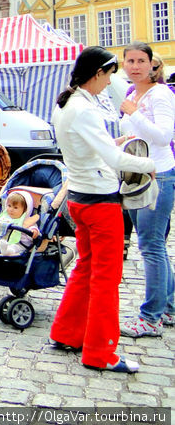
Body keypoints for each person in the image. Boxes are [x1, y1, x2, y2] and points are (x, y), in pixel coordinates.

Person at [48, 46, 155, 373]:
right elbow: (114, 161)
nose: (110, 82)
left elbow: (89, 148)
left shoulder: (67, 104)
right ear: (97, 74)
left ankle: (66, 332)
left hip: (80, 198)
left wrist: (115, 145)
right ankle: (100, 353)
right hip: (100, 201)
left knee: (85, 268)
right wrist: (151, 164)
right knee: (106, 279)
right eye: (108, 74)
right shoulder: (84, 109)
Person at [118, 42, 175, 338]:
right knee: (155, 246)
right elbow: (138, 133)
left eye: (142, 60)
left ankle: (150, 318)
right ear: (124, 64)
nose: (136, 66)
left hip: (158, 178)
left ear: (153, 64)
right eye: (130, 60)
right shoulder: (132, 93)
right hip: (138, 177)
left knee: (150, 248)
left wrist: (134, 114)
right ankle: (170, 306)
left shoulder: (161, 95)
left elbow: (164, 137)